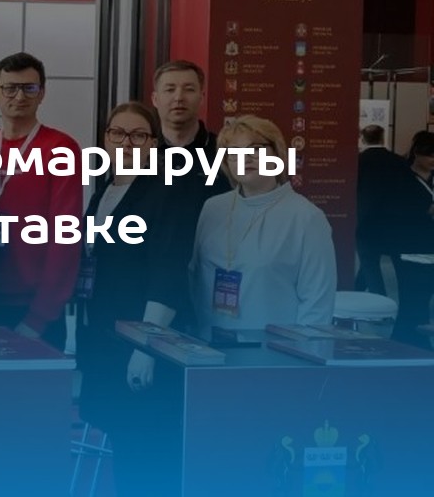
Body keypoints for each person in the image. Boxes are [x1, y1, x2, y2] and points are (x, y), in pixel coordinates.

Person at [76, 102, 193, 497]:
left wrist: (147, 346)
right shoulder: (105, 190)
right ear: (105, 138)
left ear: (153, 143)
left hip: (141, 343)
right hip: (104, 337)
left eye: (138, 135)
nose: (126, 143)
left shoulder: (166, 193)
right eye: (117, 133)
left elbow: (168, 272)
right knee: (119, 438)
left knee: (144, 449)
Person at [0, 52, 82, 350]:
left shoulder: (60, 148)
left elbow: (65, 236)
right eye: (10, 88)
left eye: (29, 88)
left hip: (34, 308)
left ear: (42, 93)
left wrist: (39, 318)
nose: (19, 96)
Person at [191, 115, 336, 337]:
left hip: (274, 349)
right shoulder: (213, 209)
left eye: (256, 149)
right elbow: (195, 276)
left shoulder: (306, 217)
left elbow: (317, 304)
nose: (245, 157)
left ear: (278, 153)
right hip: (210, 344)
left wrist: (300, 351)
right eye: (233, 152)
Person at [150, 60, 231, 195]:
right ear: (155, 99)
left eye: (189, 90)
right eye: (170, 90)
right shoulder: (141, 152)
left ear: (201, 98)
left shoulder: (224, 152)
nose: (179, 98)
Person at [383, 131, 434, 346]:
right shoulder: (402, 178)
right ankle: (406, 342)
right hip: (409, 248)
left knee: (424, 298)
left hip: (429, 248)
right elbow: (399, 210)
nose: (432, 160)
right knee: (412, 299)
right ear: (417, 153)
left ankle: (416, 341)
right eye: (429, 154)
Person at [355, 124, 407, 295]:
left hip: (366, 221)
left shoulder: (358, 162)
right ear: (383, 138)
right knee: (371, 262)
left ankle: (379, 299)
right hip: (394, 221)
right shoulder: (399, 161)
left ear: (363, 139)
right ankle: (355, 290)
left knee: (369, 262)